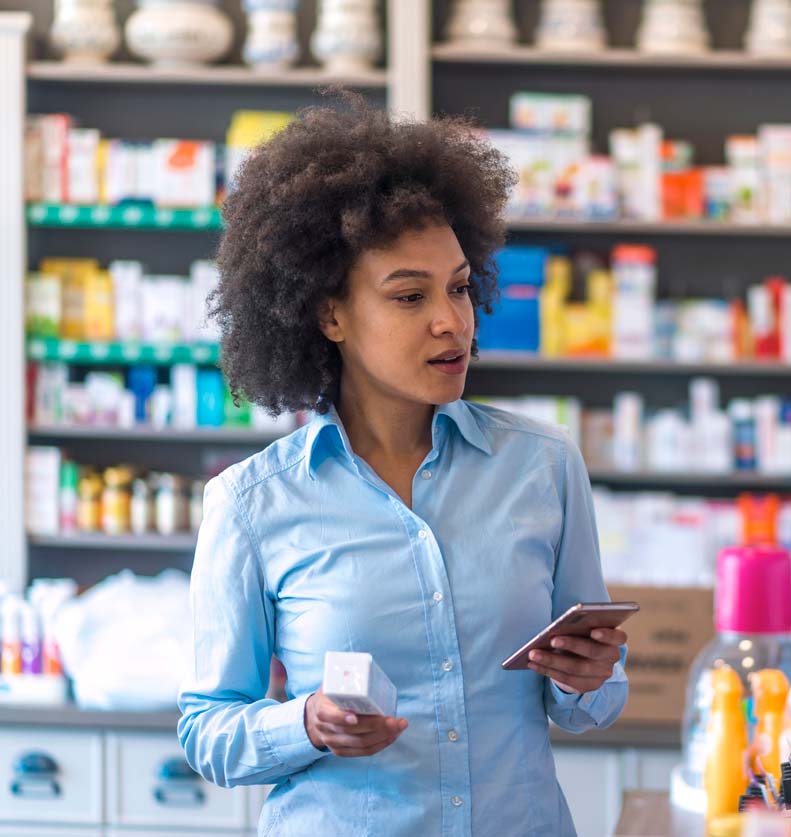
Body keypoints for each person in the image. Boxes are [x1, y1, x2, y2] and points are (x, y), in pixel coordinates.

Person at [177, 98, 629, 837]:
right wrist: (307, 724)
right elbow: (207, 728)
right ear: (330, 316)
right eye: (410, 296)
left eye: (458, 286)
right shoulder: (254, 503)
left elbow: (597, 698)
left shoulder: (542, 468)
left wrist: (590, 676)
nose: (452, 321)